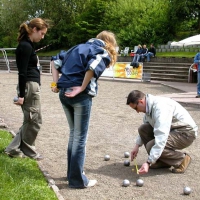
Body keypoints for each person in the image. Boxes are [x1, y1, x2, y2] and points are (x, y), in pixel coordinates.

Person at [50, 31, 117, 188]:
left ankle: (71, 174)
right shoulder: (101, 51)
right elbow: (92, 67)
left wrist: (55, 84)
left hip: (63, 93)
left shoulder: (76, 47)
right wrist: (82, 88)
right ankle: (77, 180)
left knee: (74, 134)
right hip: (80, 96)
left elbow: (54, 62)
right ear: (109, 43)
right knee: (80, 138)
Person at [5, 18, 49, 160]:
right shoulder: (25, 46)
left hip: (31, 85)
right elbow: (22, 72)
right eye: (42, 33)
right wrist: (22, 94)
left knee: (31, 120)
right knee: (34, 120)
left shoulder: (28, 45)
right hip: (29, 86)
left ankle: (13, 148)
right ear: (34, 30)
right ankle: (29, 152)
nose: (42, 37)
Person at [126, 90, 198, 175]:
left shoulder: (160, 108)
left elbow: (161, 136)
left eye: (136, 108)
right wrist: (137, 146)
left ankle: (182, 159)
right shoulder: (148, 107)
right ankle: (163, 161)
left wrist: (149, 162)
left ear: (141, 102)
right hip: (173, 130)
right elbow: (146, 125)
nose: (137, 111)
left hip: (186, 133)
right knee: (143, 129)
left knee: (151, 146)